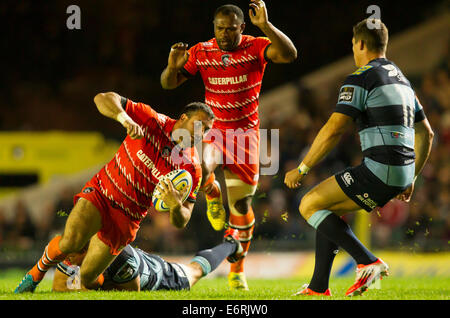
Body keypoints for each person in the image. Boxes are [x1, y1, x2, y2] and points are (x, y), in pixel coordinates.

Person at [284, 18, 434, 296]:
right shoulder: (402, 80)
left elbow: (334, 128)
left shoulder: (362, 77)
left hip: (381, 168)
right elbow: (427, 133)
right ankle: (318, 288)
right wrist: (411, 176)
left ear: (361, 43)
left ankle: (368, 261)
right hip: (400, 171)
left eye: (353, 44)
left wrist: (302, 168)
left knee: (309, 204)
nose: (353, 50)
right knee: (328, 209)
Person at [15, 92, 214, 293]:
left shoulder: (191, 168)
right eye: (199, 125)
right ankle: (34, 275)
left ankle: (99, 278)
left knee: (87, 277)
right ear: (183, 118)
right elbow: (102, 98)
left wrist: (176, 205)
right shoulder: (151, 120)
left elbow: (182, 221)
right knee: (70, 241)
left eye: (206, 130)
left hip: (126, 220)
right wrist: (124, 118)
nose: (201, 133)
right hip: (102, 192)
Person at [160, 1, 297, 290]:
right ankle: (211, 192)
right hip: (215, 131)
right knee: (203, 170)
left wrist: (265, 26)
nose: (224, 34)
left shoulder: (256, 46)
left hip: (246, 138)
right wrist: (172, 67)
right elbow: (168, 84)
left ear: (242, 27)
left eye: (231, 29)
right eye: (220, 29)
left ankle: (238, 269)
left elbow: (289, 54)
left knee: (241, 205)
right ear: (214, 27)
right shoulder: (202, 51)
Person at [52, 229, 243, 292]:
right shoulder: (78, 256)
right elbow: (60, 287)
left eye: (73, 255)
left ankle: (232, 244)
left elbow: (132, 292)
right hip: (144, 260)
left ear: (86, 251)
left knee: (195, 271)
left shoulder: (120, 259)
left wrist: (94, 284)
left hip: (163, 276)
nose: (68, 258)